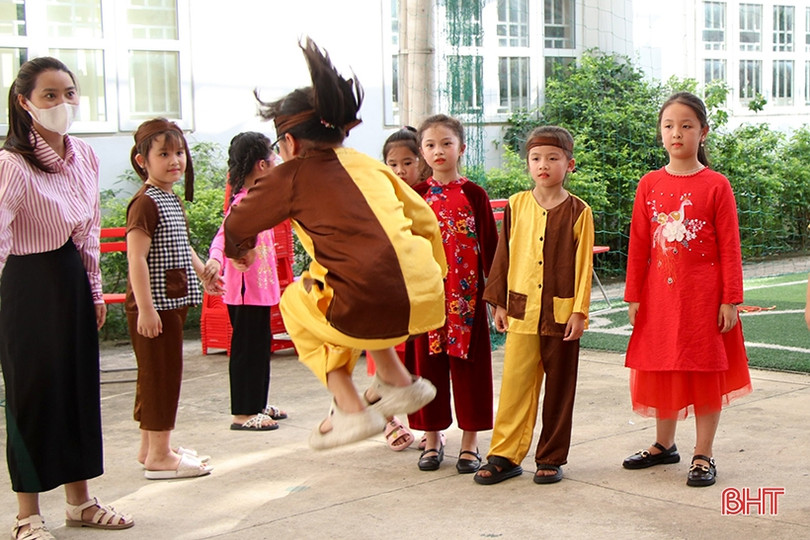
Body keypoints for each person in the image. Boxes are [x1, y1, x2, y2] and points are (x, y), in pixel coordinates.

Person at [223, 37, 446, 450]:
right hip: (423, 294)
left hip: (360, 299)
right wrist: (431, 279)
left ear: (288, 143)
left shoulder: (291, 175)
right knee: (335, 285)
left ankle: (347, 406)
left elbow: (237, 222)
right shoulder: (370, 166)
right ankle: (397, 379)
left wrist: (242, 250)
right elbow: (426, 221)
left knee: (298, 300)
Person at [0, 57, 133, 539]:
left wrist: (94, 288)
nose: (62, 104)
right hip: (26, 283)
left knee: (78, 391)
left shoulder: (85, 156)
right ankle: (27, 516)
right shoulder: (12, 164)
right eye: (49, 95)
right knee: (32, 395)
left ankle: (80, 503)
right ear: (25, 103)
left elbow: (90, 230)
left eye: (69, 93)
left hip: (71, 278)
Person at [621, 92, 752, 487]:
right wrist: (634, 295)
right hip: (659, 297)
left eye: (686, 125)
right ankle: (665, 445)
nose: (676, 133)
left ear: (703, 132)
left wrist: (730, 298)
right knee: (663, 365)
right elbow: (639, 244)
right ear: (660, 132)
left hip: (704, 298)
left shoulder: (716, 185)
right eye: (669, 126)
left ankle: (703, 453)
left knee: (704, 370)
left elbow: (730, 245)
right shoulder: (649, 183)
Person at [473, 126, 594, 485]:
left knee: (560, 388)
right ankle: (504, 455)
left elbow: (584, 265)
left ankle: (551, 457)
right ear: (528, 164)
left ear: (569, 164)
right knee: (515, 384)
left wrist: (579, 311)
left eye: (553, 158)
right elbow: (502, 254)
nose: (544, 165)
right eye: (537, 158)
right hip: (521, 310)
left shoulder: (579, 211)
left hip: (561, 315)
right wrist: (497, 302)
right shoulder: (516, 204)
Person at [401, 114, 497, 474]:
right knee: (426, 370)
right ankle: (431, 438)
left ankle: (470, 442)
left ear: (462, 147)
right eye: (430, 145)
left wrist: (496, 298)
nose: (438, 151)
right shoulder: (415, 196)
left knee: (470, 371)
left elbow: (491, 248)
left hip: (467, 300)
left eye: (446, 143)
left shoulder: (474, 194)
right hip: (425, 300)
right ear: (422, 151)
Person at [126, 118, 219, 479]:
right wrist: (146, 310)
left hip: (170, 301)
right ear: (142, 161)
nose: (175, 160)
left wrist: (203, 273)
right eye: (163, 154)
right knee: (161, 377)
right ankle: (160, 457)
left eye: (179, 152)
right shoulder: (145, 203)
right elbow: (136, 257)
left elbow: (182, 246)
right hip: (155, 307)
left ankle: (151, 447)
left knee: (158, 374)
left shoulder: (168, 198)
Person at [203, 132, 286, 432]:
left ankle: (257, 405)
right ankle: (242, 412)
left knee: (259, 346)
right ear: (262, 165)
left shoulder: (257, 198)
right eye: (273, 157)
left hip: (259, 290)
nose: (277, 161)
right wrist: (216, 260)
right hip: (244, 291)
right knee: (246, 349)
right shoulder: (243, 201)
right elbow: (223, 235)